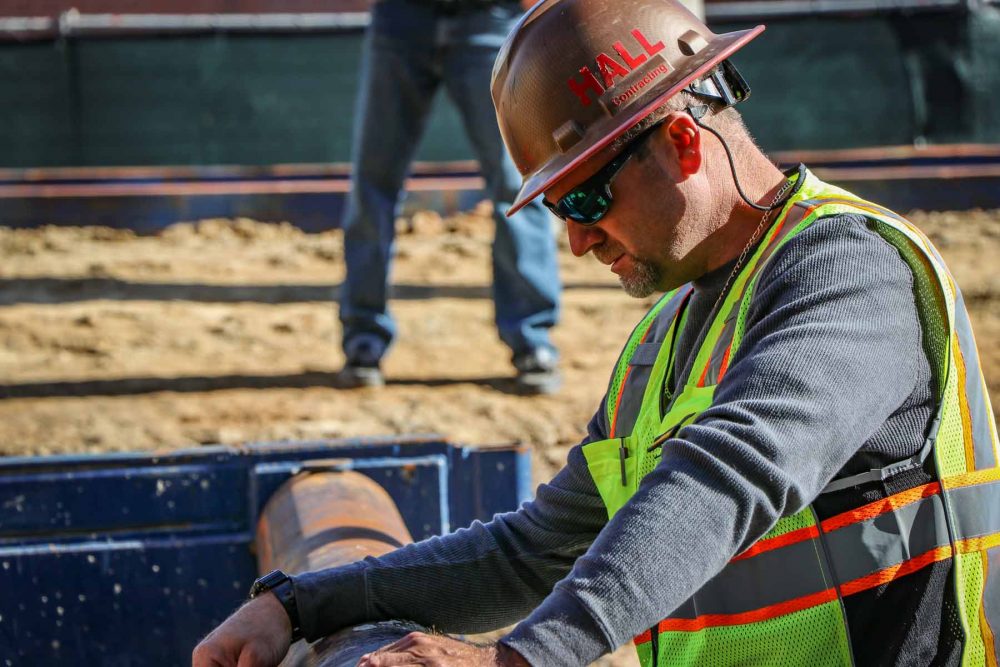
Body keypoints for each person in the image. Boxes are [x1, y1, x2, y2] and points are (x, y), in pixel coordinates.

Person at [194, 0, 1000, 664]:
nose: (577, 241)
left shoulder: (849, 271)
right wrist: (300, 603)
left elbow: (732, 472)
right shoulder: (664, 339)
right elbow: (534, 550)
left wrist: (520, 660)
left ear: (684, 140)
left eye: (584, 200)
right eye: (555, 210)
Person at [335, 0, 562, 394]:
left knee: (518, 182)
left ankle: (532, 340)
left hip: (492, 17)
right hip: (402, 18)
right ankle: (363, 340)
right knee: (374, 181)